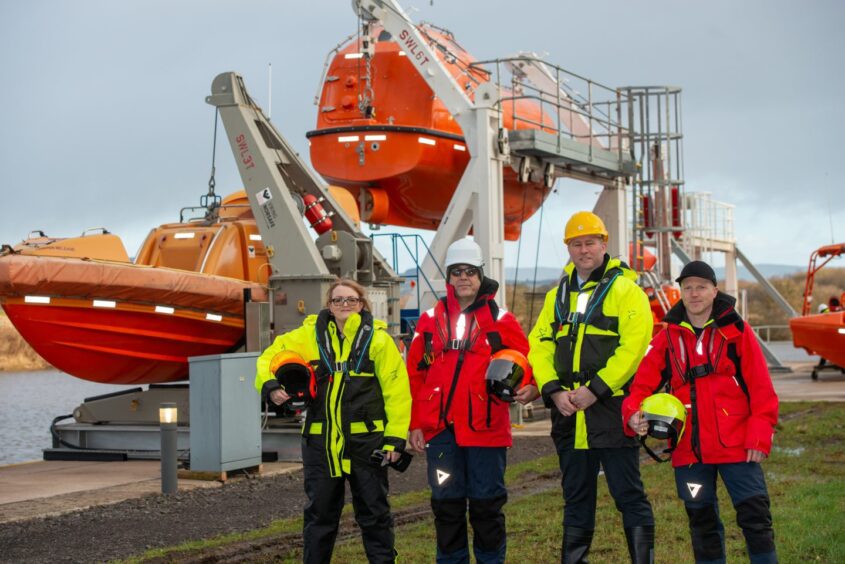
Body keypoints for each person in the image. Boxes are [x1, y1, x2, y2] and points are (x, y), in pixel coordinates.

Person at [622, 260, 779, 564]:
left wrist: (759, 438)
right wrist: (632, 413)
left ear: (714, 291)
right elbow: (639, 387)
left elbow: (762, 389)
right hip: (689, 451)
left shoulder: (736, 332)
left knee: (756, 519)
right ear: (681, 292)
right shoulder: (666, 339)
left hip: (738, 448)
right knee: (701, 523)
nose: (694, 294)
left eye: (701, 287)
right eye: (688, 287)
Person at [527, 211, 655, 563]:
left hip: (611, 410)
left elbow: (632, 348)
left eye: (590, 243)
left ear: (604, 245)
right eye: (576, 244)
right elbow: (539, 345)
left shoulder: (628, 292)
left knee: (628, 494)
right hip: (568, 412)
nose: (583, 250)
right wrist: (553, 390)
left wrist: (594, 390)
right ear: (568, 248)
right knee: (576, 496)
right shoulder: (557, 296)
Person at [255, 278, 411, 564]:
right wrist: (270, 386)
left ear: (362, 305)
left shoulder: (379, 341)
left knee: (375, 516)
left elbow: (397, 392)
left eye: (351, 300)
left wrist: (395, 439)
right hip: (321, 445)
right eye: (338, 300)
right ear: (329, 305)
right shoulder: (307, 336)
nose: (344, 305)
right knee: (319, 519)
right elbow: (267, 359)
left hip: (368, 445)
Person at [406, 237, 535, 563]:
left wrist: (530, 386)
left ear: (480, 275)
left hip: (485, 430)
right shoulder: (429, 320)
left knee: (486, 505)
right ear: (448, 278)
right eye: (456, 272)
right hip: (441, 433)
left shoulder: (501, 319)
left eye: (470, 272)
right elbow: (415, 375)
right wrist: (416, 424)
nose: (463, 278)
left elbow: (526, 360)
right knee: (445, 507)